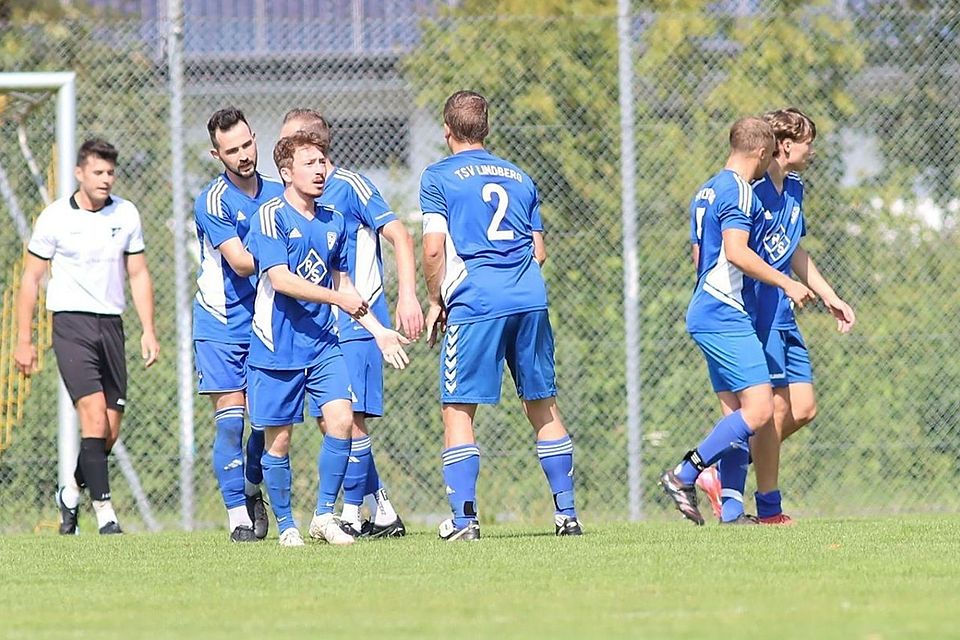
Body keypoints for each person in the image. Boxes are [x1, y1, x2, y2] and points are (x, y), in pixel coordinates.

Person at [419, 90, 581, 540]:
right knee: (542, 405)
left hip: (477, 302)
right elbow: (540, 251)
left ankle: (465, 521)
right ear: (486, 129)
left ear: (446, 129)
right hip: (530, 296)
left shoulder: (438, 177)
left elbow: (432, 248)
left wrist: (436, 300)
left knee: (458, 410)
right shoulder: (520, 176)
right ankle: (567, 515)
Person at [245, 130, 410, 547]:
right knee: (278, 441)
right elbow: (281, 280)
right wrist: (338, 297)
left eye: (323, 162)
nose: (321, 170)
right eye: (310, 163)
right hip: (277, 347)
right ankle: (286, 526)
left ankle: (322, 516)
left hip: (323, 345)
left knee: (341, 422)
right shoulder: (270, 216)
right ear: (286, 172)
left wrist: (380, 333)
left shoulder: (334, 219)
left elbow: (346, 287)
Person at [660, 117, 815, 525]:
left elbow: (701, 255)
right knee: (761, 411)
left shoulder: (707, 189)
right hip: (723, 312)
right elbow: (737, 252)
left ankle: (731, 512)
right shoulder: (741, 192)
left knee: (738, 416)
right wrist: (787, 284)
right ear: (763, 153)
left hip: (710, 308)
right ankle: (685, 472)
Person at [279, 109, 424, 538]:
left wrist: (407, 297)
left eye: (292, 143)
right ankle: (380, 509)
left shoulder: (351, 186)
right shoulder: (291, 198)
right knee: (334, 422)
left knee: (351, 420)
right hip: (320, 326)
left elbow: (398, 234)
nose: (282, 153)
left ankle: (352, 511)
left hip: (359, 319)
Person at [14, 138, 160, 535]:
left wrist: (149, 330)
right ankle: (106, 514)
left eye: (111, 172)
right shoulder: (55, 218)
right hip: (71, 325)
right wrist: (23, 339)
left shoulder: (126, 214)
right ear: (79, 173)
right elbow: (30, 279)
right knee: (93, 417)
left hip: (111, 325)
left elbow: (139, 274)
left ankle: (71, 494)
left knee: (109, 431)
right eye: (98, 172)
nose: (105, 179)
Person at [746, 107, 856, 524]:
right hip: (760, 310)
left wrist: (832, 297)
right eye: (809, 142)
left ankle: (730, 462)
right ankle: (769, 509)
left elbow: (793, 250)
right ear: (786, 144)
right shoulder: (751, 191)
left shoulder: (794, 186)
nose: (813, 151)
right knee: (772, 409)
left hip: (786, 311)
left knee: (804, 408)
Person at [193, 107, 283, 542]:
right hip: (222, 323)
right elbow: (244, 264)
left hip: (270, 322)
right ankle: (237, 519)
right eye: (232, 150)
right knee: (231, 421)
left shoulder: (281, 193)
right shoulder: (212, 201)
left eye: (247, 144)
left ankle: (251, 489)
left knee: (266, 422)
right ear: (217, 154)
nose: (244, 155)